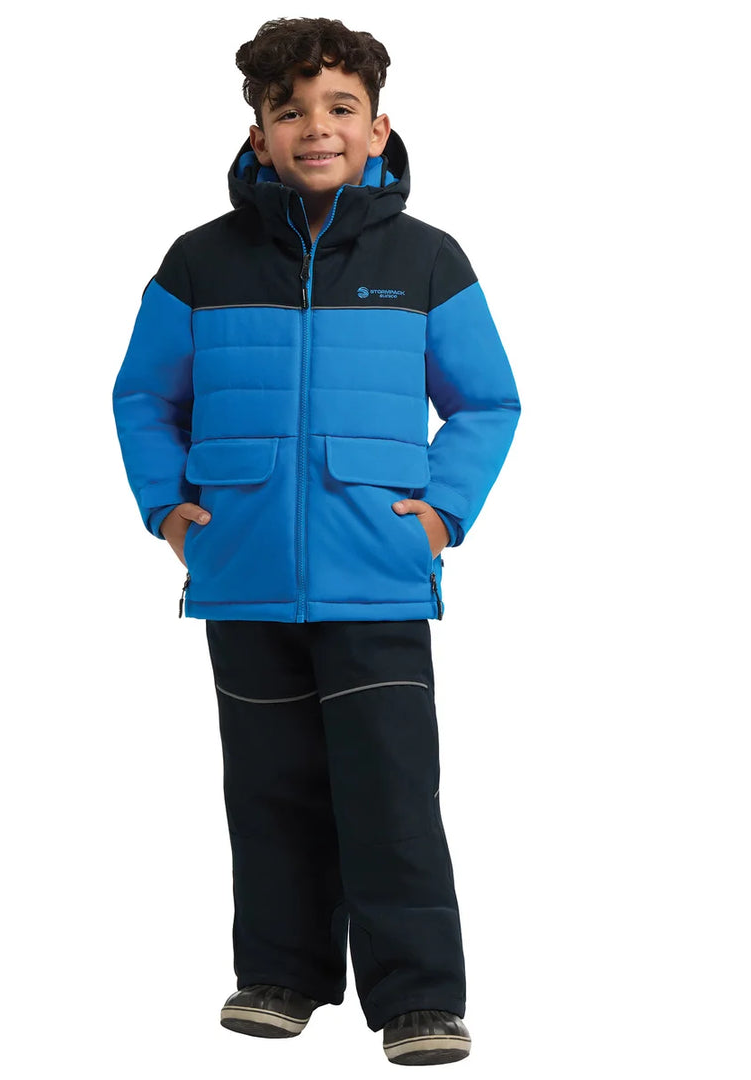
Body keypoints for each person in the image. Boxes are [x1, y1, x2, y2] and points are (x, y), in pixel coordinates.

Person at [112, 17, 520, 1067]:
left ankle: (420, 999)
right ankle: (280, 978)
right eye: (288, 111)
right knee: (269, 789)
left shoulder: (426, 261)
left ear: (379, 128)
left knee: (391, 796)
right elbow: (144, 395)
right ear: (257, 133)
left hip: (377, 575)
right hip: (243, 574)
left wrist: (444, 512)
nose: (316, 128)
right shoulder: (199, 262)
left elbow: (487, 401)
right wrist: (167, 507)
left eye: (340, 107)